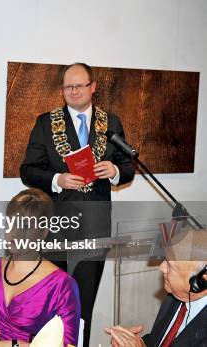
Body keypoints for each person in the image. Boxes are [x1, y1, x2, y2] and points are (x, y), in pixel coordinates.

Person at [19, 62, 135, 343]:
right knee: (49, 303)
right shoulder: (46, 122)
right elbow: (28, 170)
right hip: (55, 224)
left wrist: (115, 171)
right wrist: (57, 179)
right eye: (67, 86)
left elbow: (128, 166)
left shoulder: (112, 122)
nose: (73, 91)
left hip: (95, 226)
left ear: (92, 87)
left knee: (83, 303)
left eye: (79, 85)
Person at [0, 189, 81, 346]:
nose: (14, 232)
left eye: (25, 226)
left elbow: (68, 344)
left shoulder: (62, 285)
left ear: (43, 232)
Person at [105, 229, 207, 347]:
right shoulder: (175, 295)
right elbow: (164, 340)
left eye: (170, 265)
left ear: (201, 281)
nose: (161, 267)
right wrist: (133, 342)